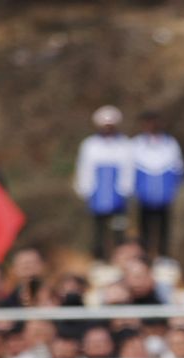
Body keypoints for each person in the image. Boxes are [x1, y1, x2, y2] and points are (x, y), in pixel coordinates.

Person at [74, 106, 131, 259]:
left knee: (119, 227)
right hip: (97, 194)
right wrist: (85, 189)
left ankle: (120, 257)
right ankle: (99, 258)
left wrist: (125, 190)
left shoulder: (124, 144)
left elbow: (128, 168)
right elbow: (84, 168)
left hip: (118, 196)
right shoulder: (90, 145)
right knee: (98, 229)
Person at [130, 111, 184, 262]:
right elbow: (130, 169)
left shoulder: (170, 143)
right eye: (148, 122)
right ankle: (144, 258)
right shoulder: (136, 144)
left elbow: (178, 169)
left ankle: (163, 258)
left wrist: (173, 189)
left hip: (164, 196)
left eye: (154, 122)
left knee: (164, 228)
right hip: (144, 196)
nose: (151, 126)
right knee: (144, 229)